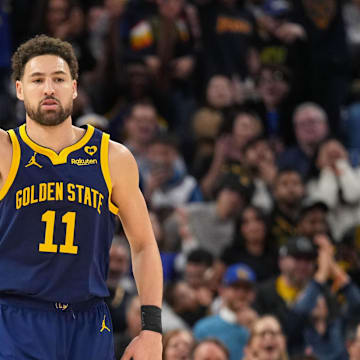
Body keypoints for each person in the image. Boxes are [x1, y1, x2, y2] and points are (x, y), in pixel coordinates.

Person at [0, 35, 163, 359]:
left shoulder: (112, 157)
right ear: (19, 89)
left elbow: (144, 244)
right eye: (37, 80)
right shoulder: (5, 151)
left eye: (58, 79)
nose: (49, 88)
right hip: (15, 318)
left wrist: (152, 331)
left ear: (74, 87)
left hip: (88, 321)